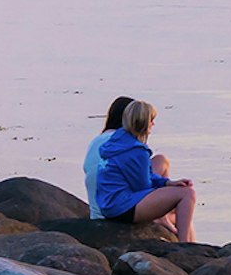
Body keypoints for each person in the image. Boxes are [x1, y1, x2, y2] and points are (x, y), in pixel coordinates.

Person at [82, 96, 195, 240]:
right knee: (187, 194)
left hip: (105, 203)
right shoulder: (135, 150)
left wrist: (166, 184)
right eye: (151, 120)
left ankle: (169, 221)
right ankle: (186, 245)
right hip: (119, 207)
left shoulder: (110, 142)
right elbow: (142, 186)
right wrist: (163, 197)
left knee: (167, 176)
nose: (153, 124)